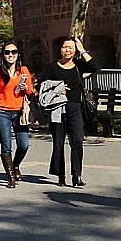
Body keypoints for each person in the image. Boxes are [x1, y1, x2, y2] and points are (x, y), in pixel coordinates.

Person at [45, 35, 96, 186]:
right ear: (60, 49)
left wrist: (82, 49)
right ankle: (61, 175)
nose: (67, 50)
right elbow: (43, 87)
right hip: (57, 108)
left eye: (70, 47)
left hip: (75, 108)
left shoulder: (79, 65)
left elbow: (93, 67)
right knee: (59, 142)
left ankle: (77, 175)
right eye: (65, 47)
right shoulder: (52, 67)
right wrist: (57, 90)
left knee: (78, 141)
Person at [0, 42, 35, 188]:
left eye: (13, 52)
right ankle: (10, 177)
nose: (10, 55)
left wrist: (26, 89)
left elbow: (31, 92)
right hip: (2, 112)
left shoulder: (23, 70)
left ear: (18, 54)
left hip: (19, 112)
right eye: (7, 52)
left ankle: (15, 165)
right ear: (3, 55)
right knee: (6, 146)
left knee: (24, 145)